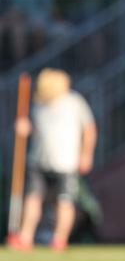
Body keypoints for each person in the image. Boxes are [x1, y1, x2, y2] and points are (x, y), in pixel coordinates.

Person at [8, 68, 97, 251]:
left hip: (66, 162)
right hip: (39, 160)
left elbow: (89, 129)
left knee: (65, 200)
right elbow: (31, 126)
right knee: (33, 198)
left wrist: (86, 154)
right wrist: (23, 128)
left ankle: (59, 238)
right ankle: (25, 237)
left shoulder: (74, 102)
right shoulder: (38, 103)